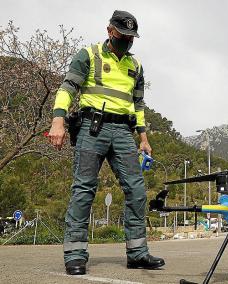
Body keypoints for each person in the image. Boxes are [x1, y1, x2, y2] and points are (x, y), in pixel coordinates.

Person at [48, 10, 164, 275]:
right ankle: (75, 255)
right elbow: (68, 87)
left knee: (136, 189)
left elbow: (138, 105)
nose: (127, 41)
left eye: (131, 37)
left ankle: (137, 253)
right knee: (84, 188)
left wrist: (143, 138)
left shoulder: (136, 67)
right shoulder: (89, 55)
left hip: (124, 132)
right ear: (110, 31)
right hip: (93, 127)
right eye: (123, 35)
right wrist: (58, 120)